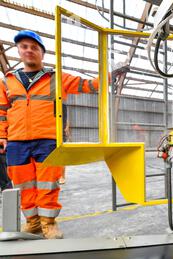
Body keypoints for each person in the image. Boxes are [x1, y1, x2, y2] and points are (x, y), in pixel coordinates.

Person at [0, 30, 102, 239]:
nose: (29, 50)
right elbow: (1, 112)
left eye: (34, 47)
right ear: (19, 51)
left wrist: (109, 75)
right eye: (24, 46)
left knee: (48, 184)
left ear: (42, 53)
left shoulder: (57, 78)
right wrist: (2, 136)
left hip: (47, 140)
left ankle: (49, 223)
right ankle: (33, 222)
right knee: (23, 186)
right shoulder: (7, 81)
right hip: (17, 142)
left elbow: (88, 85)